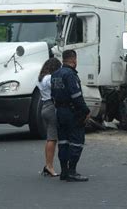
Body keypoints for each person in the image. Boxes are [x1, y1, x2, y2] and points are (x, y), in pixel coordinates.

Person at [51, 50, 91, 182]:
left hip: (59, 111)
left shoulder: (55, 74)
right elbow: (76, 96)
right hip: (72, 112)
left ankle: (64, 171)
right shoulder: (70, 75)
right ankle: (72, 171)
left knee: (63, 142)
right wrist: (85, 111)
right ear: (74, 60)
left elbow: (52, 95)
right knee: (77, 141)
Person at [37, 58, 62, 177]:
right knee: (52, 138)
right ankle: (49, 166)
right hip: (51, 106)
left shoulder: (41, 78)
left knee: (50, 138)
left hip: (44, 106)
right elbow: (57, 89)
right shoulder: (49, 79)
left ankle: (48, 164)